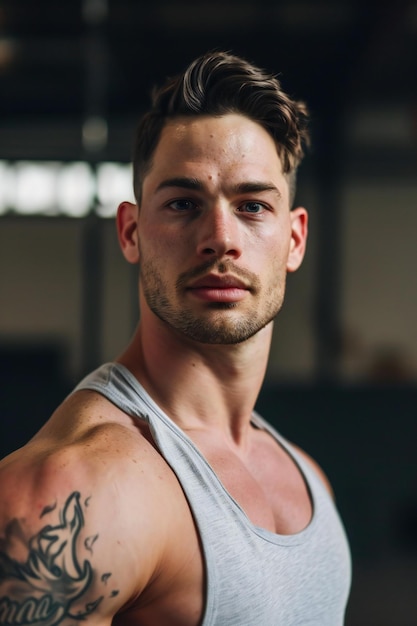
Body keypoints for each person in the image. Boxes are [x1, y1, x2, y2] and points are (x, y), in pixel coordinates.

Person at [0, 51, 351, 625]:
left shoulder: (308, 480)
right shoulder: (75, 492)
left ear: (294, 240)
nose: (219, 238)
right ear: (132, 231)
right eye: (184, 203)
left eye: (253, 206)